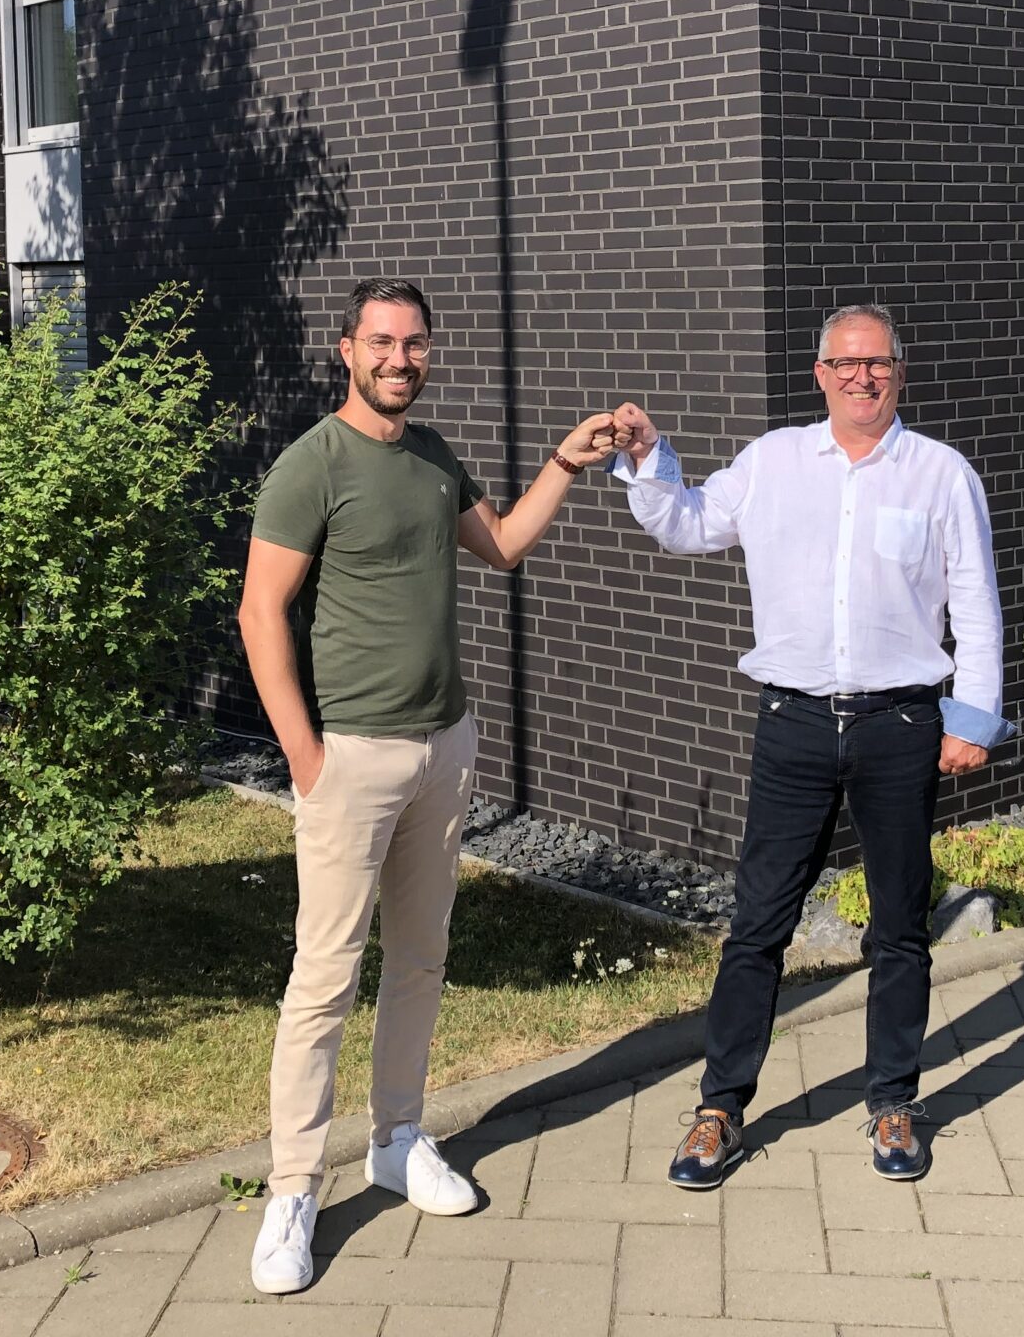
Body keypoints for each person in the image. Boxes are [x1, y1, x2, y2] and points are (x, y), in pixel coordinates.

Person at [237, 277, 620, 1295]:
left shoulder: (435, 455)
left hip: (441, 746)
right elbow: (260, 612)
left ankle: (397, 1139)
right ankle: (292, 1191)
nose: (398, 359)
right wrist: (305, 757)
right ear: (347, 350)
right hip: (350, 758)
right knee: (324, 978)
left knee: (419, 958)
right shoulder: (311, 466)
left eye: (413, 344)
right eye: (381, 342)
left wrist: (562, 463)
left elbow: (503, 546)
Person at [609, 302, 1005, 1188]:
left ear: (899, 373)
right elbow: (687, 524)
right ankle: (720, 1109)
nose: (863, 377)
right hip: (793, 725)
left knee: (899, 928)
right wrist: (650, 455)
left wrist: (972, 717)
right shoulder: (773, 462)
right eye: (846, 363)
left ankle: (893, 1101)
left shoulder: (940, 474)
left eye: (879, 363)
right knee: (758, 925)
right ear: (820, 373)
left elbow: (976, 603)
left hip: (902, 725)